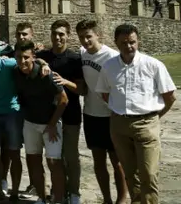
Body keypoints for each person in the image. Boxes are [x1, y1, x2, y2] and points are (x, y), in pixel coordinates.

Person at [96, 24, 176, 204]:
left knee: (148, 174)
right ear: (116, 42)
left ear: (138, 41)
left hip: (146, 124)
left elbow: (170, 96)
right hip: (119, 126)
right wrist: (118, 109)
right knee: (130, 174)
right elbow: (104, 92)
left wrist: (154, 118)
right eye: (124, 43)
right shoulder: (109, 66)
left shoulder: (153, 65)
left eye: (132, 42)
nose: (129, 46)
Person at [0, 46, 49, 202]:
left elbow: (29, 60)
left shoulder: (7, 64)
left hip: (12, 113)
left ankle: (14, 192)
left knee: (14, 153)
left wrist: (44, 64)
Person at [76, 20, 129, 204]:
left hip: (111, 116)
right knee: (98, 161)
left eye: (88, 36)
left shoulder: (112, 57)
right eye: (82, 37)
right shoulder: (82, 54)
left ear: (98, 35)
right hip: (91, 114)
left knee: (118, 162)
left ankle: (122, 199)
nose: (85, 41)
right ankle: (106, 199)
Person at [36, 20, 85, 204]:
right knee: (53, 158)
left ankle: (74, 192)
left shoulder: (74, 59)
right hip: (49, 115)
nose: (57, 37)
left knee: (71, 156)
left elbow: (82, 90)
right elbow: (31, 58)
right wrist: (41, 62)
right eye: (55, 33)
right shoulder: (44, 55)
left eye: (61, 34)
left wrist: (65, 82)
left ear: (68, 35)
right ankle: (60, 191)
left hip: (71, 114)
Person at [14, 41, 68, 204]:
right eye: (19, 57)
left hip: (50, 123)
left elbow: (63, 100)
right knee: (33, 161)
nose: (22, 61)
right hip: (30, 123)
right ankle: (42, 198)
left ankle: (58, 199)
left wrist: (52, 124)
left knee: (53, 161)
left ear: (33, 58)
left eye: (26, 58)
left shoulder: (45, 74)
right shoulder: (16, 72)